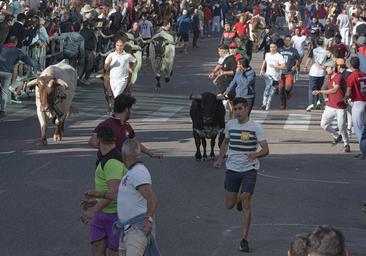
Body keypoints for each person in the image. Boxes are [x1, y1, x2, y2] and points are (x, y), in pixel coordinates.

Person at [85, 139, 161, 256]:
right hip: (127, 230)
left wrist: (148, 219)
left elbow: (152, 199)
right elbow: (122, 197)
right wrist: (99, 196)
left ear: (124, 156)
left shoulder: (138, 172)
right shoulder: (131, 172)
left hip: (136, 231)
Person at [213, 97, 269, 253]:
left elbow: (265, 149)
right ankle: (237, 200)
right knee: (229, 205)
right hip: (232, 169)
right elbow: (225, 143)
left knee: (247, 198)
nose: (237, 112)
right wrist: (219, 159)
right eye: (235, 109)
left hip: (249, 169)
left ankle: (244, 239)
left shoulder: (255, 127)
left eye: (240, 108)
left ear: (246, 109)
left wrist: (255, 155)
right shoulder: (230, 125)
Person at [80, 126, 126, 256]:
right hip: (102, 212)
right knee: (97, 246)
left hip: (115, 215)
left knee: (114, 252)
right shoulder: (105, 156)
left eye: (93, 136)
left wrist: (93, 210)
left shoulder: (112, 161)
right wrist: (95, 202)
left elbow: (113, 193)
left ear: (99, 139)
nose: (91, 139)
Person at [88, 94, 160, 161]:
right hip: (109, 165)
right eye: (130, 109)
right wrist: (109, 150)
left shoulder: (127, 126)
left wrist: (151, 154)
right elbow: (92, 142)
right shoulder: (107, 124)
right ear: (126, 109)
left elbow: (134, 143)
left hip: (122, 165)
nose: (131, 112)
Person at [312, 60, 350, 152]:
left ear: (333, 68)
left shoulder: (338, 77)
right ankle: (337, 135)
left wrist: (320, 92)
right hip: (330, 105)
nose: (326, 69)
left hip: (340, 106)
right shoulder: (328, 77)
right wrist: (325, 97)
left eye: (328, 68)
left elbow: (335, 90)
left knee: (341, 126)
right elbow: (325, 87)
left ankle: (346, 144)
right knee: (323, 124)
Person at [0, 36, 39, 114]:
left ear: (8, 41)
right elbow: (27, 59)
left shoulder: (1, 47)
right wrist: (37, 65)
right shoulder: (17, 51)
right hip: (8, 72)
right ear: (16, 42)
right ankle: (2, 109)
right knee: (4, 91)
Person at [344, 57, 366, 159]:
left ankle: (363, 152)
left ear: (350, 65)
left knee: (359, 129)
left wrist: (344, 98)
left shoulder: (352, 76)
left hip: (358, 103)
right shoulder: (364, 75)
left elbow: (348, 92)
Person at [260, 43, 286, 110]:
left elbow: (283, 66)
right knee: (267, 87)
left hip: (276, 76)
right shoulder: (267, 54)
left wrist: (275, 66)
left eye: (274, 47)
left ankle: (267, 104)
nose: (272, 48)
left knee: (271, 92)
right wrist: (262, 69)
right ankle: (264, 104)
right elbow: (265, 61)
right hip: (268, 74)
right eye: (271, 47)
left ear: (276, 47)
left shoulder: (279, 56)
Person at [304, 38, 328, 112]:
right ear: (323, 43)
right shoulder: (326, 52)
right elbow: (328, 61)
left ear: (316, 43)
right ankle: (318, 102)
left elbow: (309, 59)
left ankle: (311, 104)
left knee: (311, 89)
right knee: (319, 88)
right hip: (322, 73)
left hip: (313, 72)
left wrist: (305, 66)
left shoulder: (313, 50)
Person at [278, 35, 300, 110]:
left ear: (291, 42)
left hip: (289, 72)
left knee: (288, 87)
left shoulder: (294, 51)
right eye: (286, 40)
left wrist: (296, 66)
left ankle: (288, 93)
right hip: (280, 73)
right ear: (284, 41)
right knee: (280, 89)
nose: (287, 41)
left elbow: (298, 59)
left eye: (289, 40)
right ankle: (282, 104)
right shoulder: (279, 50)